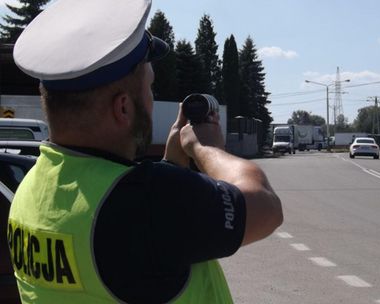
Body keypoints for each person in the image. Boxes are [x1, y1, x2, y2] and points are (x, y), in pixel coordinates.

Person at [7, 0, 282, 303]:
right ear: (123, 107)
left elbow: (133, 256)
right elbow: (266, 205)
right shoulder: (147, 202)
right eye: (150, 88)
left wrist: (172, 164)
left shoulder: (30, 187)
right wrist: (204, 149)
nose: (152, 99)